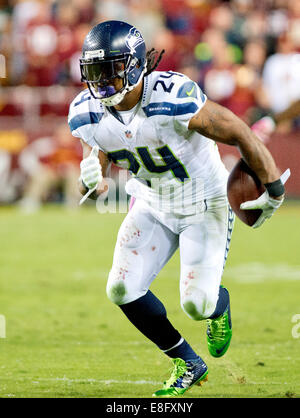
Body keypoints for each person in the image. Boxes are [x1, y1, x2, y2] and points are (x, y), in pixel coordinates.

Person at [68, 20, 285, 397]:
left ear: (134, 67)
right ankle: (187, 361)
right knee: (121, 288)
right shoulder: (86, 111)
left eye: (111, 70)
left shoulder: (172, 95)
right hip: (152, 201)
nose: (101, 81)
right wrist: (92, 176)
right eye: (95, 71)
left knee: (196, 305)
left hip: (204, 201)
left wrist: (274, 187)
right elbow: (104, 153)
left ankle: (219, 306)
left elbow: (238, 130)